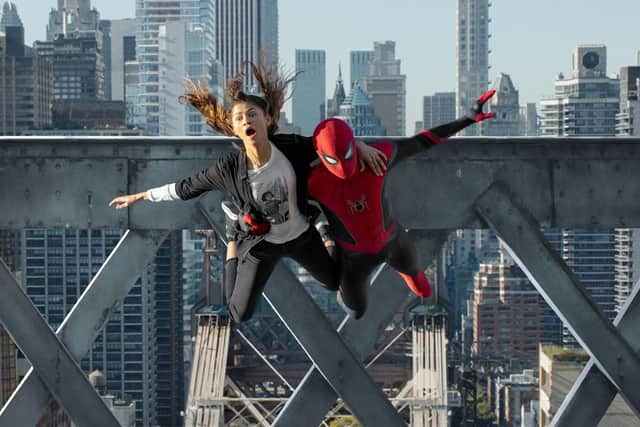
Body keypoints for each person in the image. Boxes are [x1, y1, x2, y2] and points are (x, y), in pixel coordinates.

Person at [109, 62, 385, 323]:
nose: (246, 120)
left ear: (266, 119)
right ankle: (231, 238)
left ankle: (324, 230)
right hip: (261, 244)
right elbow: (187, 187)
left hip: (301, 235)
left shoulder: (289, 147)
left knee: (335, 281)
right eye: (239, 118)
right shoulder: (229, 168)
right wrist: (143, 196)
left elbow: (329, 142)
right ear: (235, 127)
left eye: (252, 114)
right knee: (239, 313)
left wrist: (359, 146)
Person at [304, 90, 496, 319]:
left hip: (392, 241)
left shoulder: (374, 160)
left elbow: (422, 142)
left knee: (421, 286)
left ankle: (407, 274)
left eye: (346, 155)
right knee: (356, 311)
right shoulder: (316, 181)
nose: (343, 167)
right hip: (355, 257)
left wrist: (467, 119)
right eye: (334, 160)